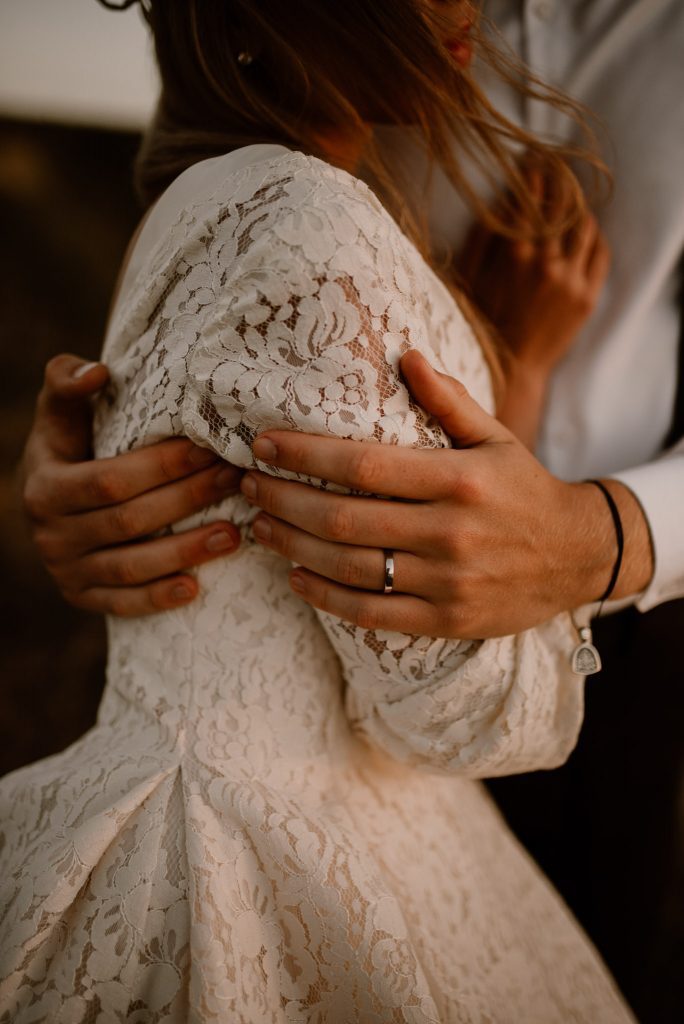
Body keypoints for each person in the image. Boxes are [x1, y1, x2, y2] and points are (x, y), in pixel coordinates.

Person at [22, 3, 683, 1019]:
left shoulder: (204, 192)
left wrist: (604, 529)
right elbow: (456, 716)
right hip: (329, 807)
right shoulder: (311, 215)